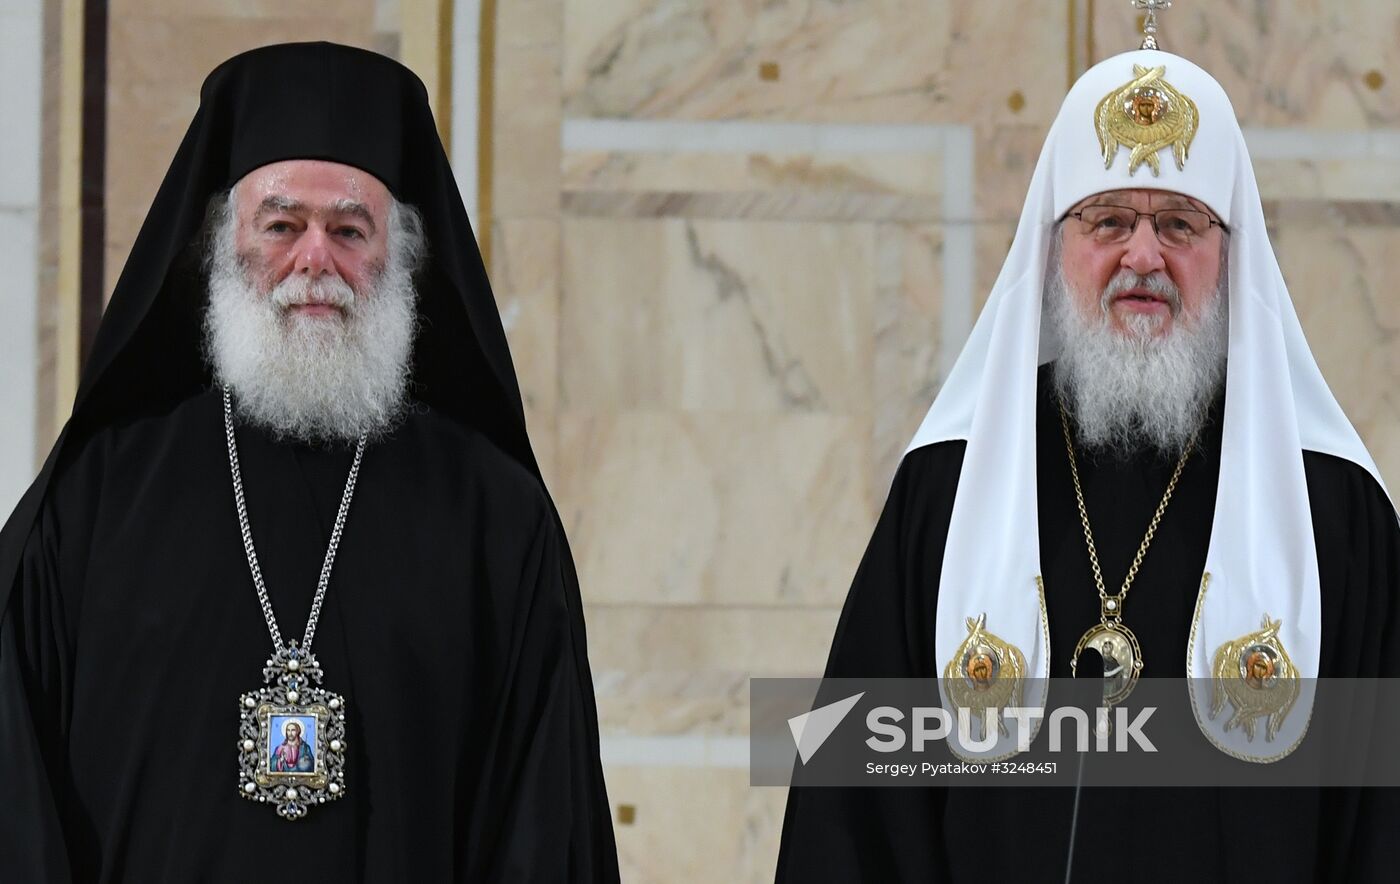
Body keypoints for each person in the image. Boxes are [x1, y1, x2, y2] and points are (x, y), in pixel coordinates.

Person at [777, 38, 1400, 883]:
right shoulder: (951, 486)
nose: (1143, 257)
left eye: (1179, 224)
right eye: (1109, 220)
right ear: (1056, 245)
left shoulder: (1334, 510)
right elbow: (852, 804)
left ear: (1229, 251)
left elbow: (1380, 824)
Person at [0, 42, 619, 881]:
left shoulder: (496, 520)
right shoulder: (96, 500)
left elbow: (543, 826)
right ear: (227, 245)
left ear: (398, 255)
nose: (315, 262)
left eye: (349, 231)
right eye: (283, 226)